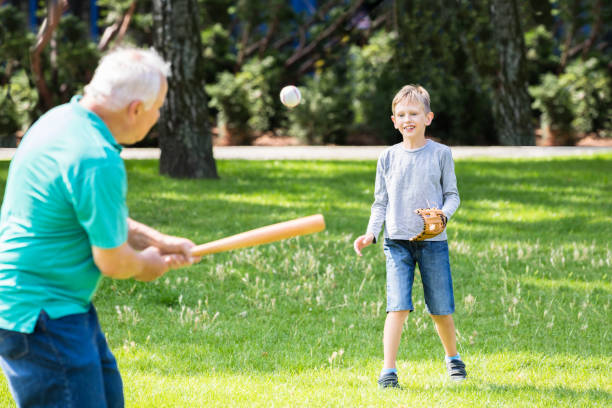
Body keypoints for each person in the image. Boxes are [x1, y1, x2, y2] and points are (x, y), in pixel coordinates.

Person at [0, 47, 200, 407]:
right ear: (135, 109)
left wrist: (160, 241)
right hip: (42, 315)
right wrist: (147, 265)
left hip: (57, 307)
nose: (157, 117)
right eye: (158, 108)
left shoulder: (61, 120)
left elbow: (94, 214)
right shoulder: (95, 158)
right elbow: (112, 260)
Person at [353, 84, 466, 388]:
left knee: (440, 308)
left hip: (433, 244)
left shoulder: (441, 154)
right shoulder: (387, 158)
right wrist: (370, 234)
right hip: (396, 243)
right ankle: (388, 371)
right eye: (401, 114)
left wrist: (443, 215)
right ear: (393, 121)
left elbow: (453, 196)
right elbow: (380, 202)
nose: (407, 119)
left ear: (428, 117)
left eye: (414, 113)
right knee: (397, 306)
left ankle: (453, 358)